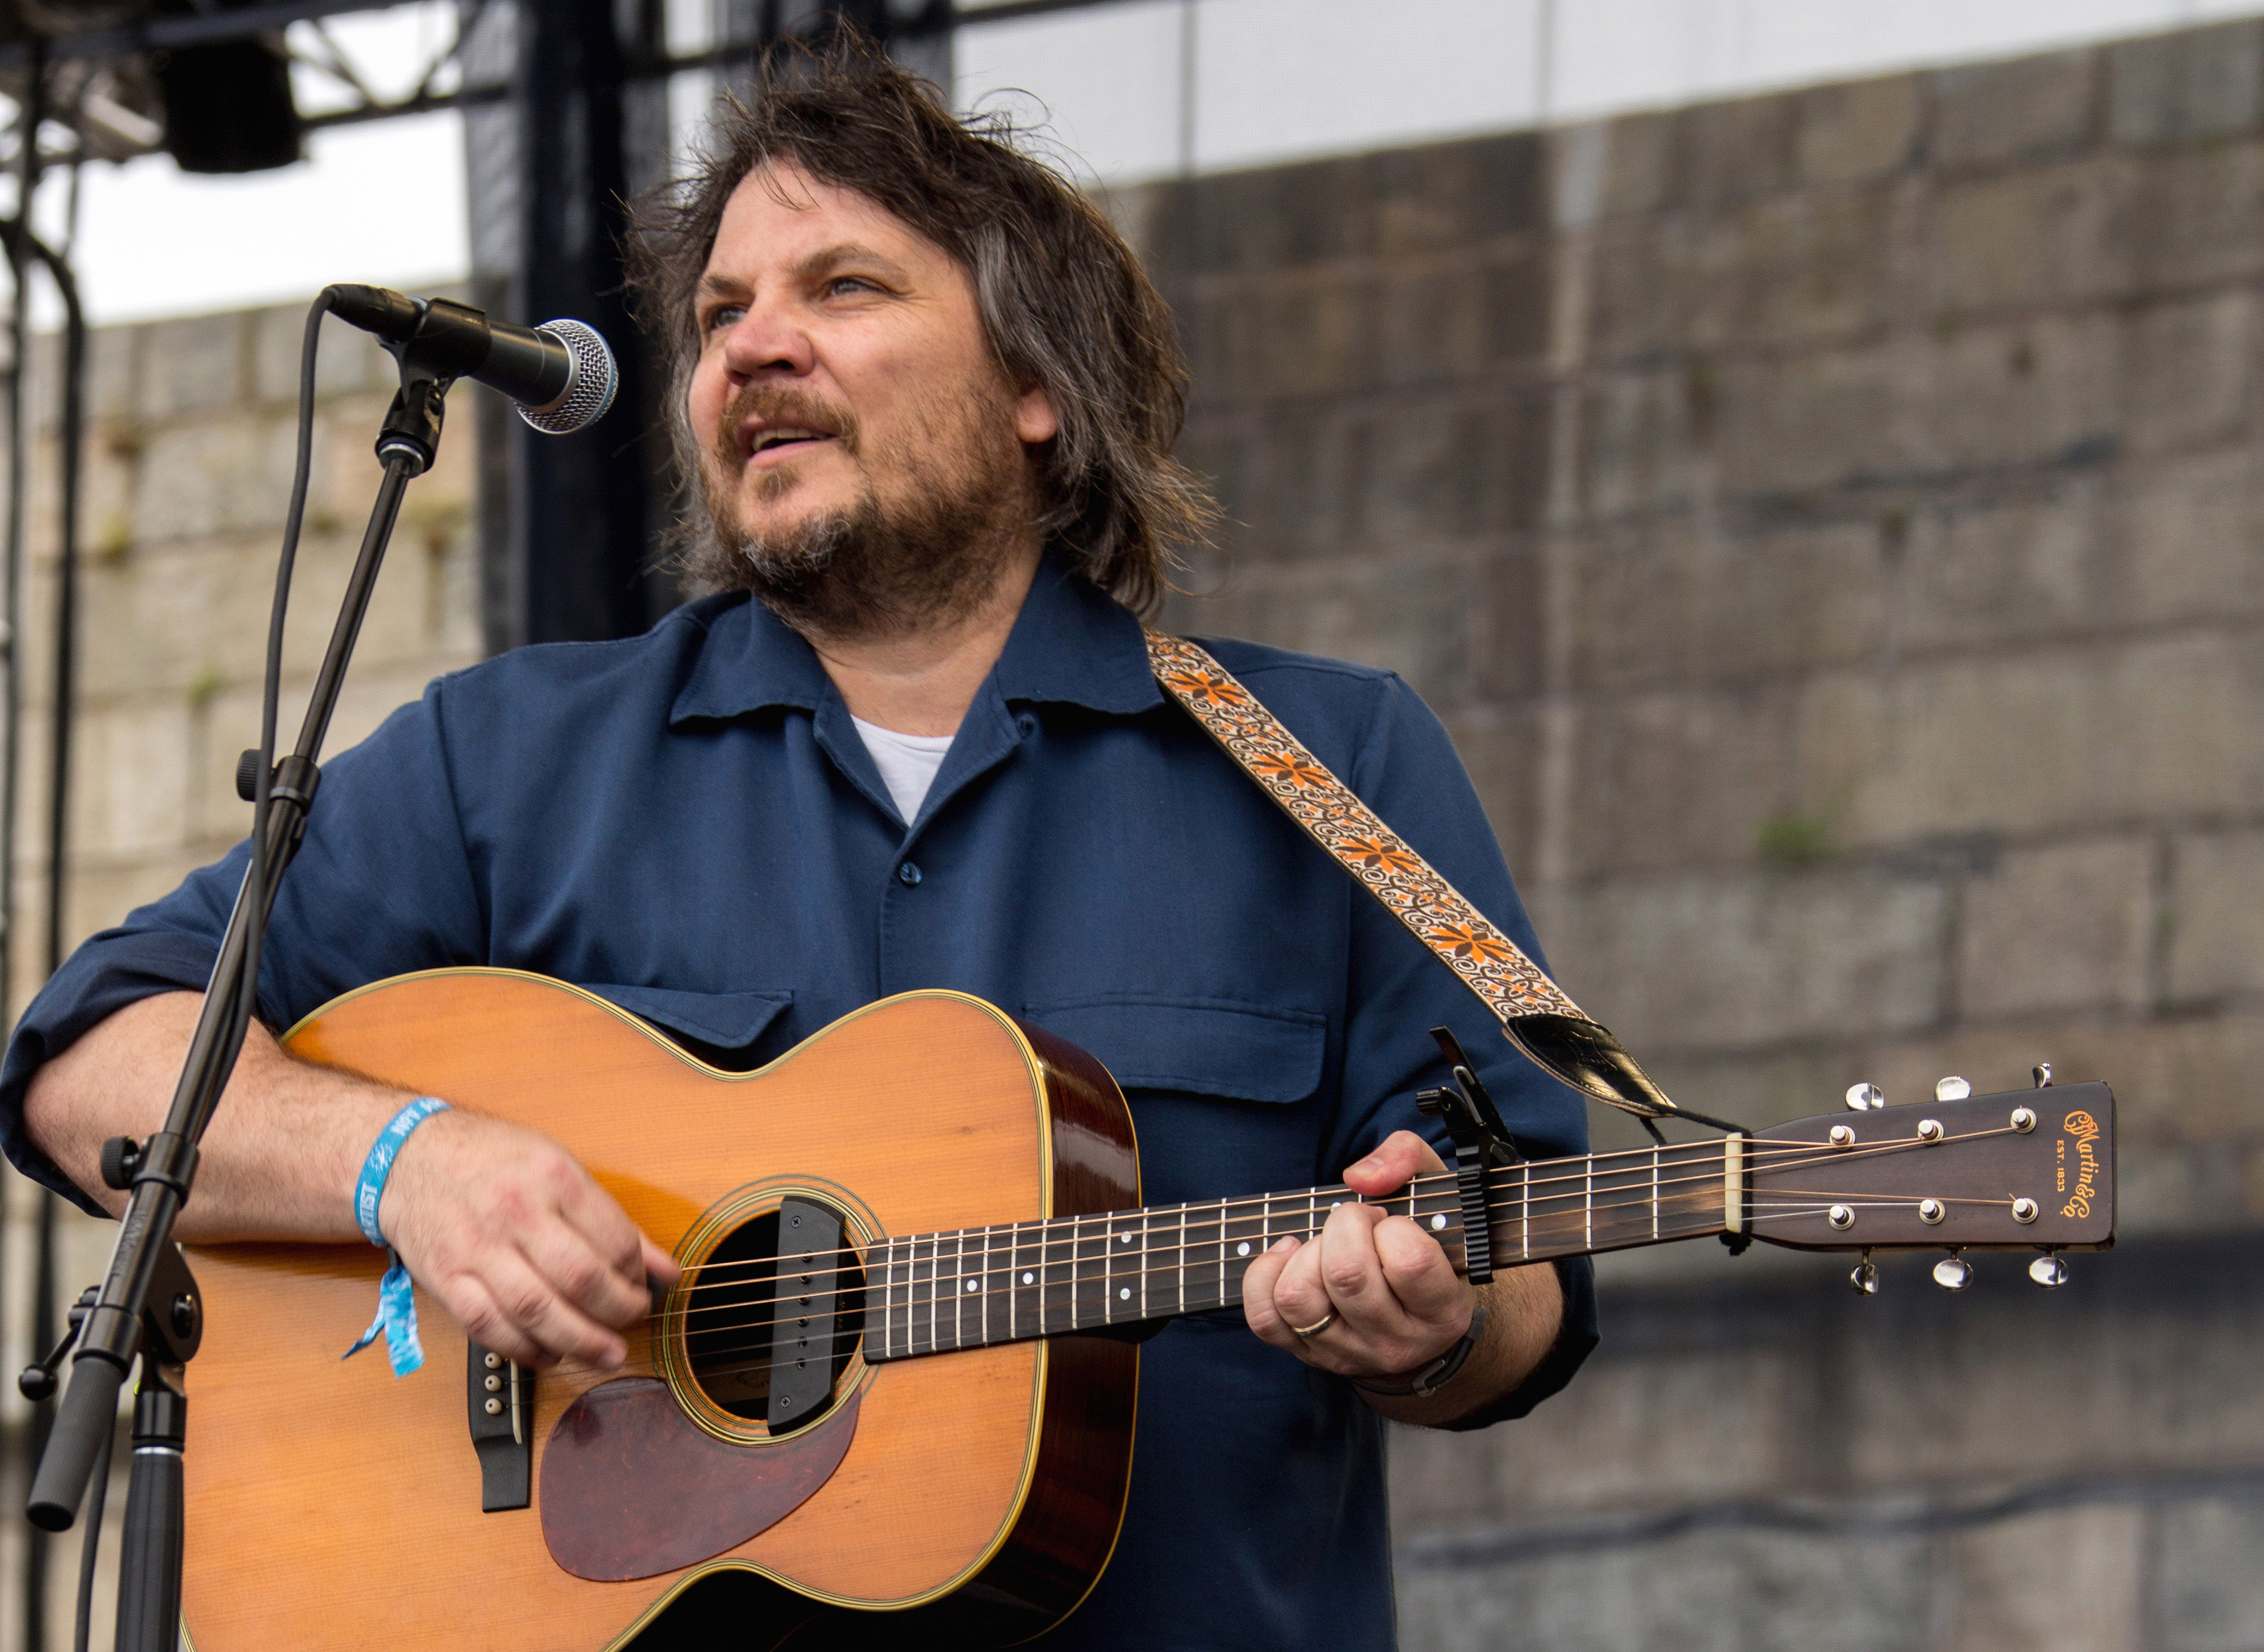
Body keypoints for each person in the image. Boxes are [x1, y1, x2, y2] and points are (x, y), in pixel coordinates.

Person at [0, 41, 1595, 1651]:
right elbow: (91, 1062)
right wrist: (410, 1160)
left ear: (1039, 388)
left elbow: (1528, 1269)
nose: (755, 345)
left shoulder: (1332, 765)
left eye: (843, 289)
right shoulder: (505, 763)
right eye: (718, 317)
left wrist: (1436, 1323)